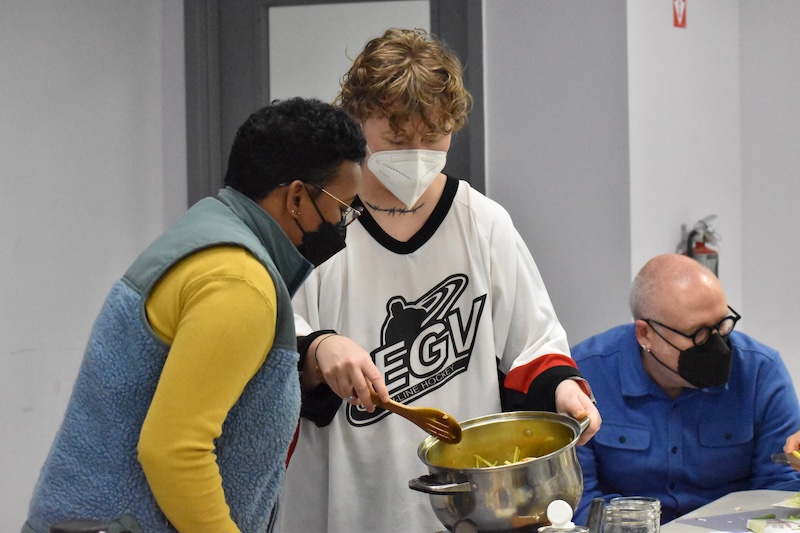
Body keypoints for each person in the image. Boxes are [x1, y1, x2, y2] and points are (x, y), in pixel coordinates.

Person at [276, 28, 601, 533]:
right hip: (347, 493)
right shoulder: (321, 220)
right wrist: (317, 348)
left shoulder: (482, 222)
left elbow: (531, 343)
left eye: (434, 137)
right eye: (397, 138)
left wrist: (563, 392)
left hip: (469, 500)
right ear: (357, 124)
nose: (417, 153)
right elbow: (268, 336)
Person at [22, 97, 366, 533]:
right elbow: (174, 450)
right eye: (343, 207)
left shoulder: (208, 235)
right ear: (297, 197)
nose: (344, 222)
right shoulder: (240, 282)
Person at [571, 253, 800, 525]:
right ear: (645, 334)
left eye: (722, 325)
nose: (717, 344)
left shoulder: (760, 371)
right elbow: (578, 499)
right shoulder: (584, 377)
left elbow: (779, 489)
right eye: (699, 333)